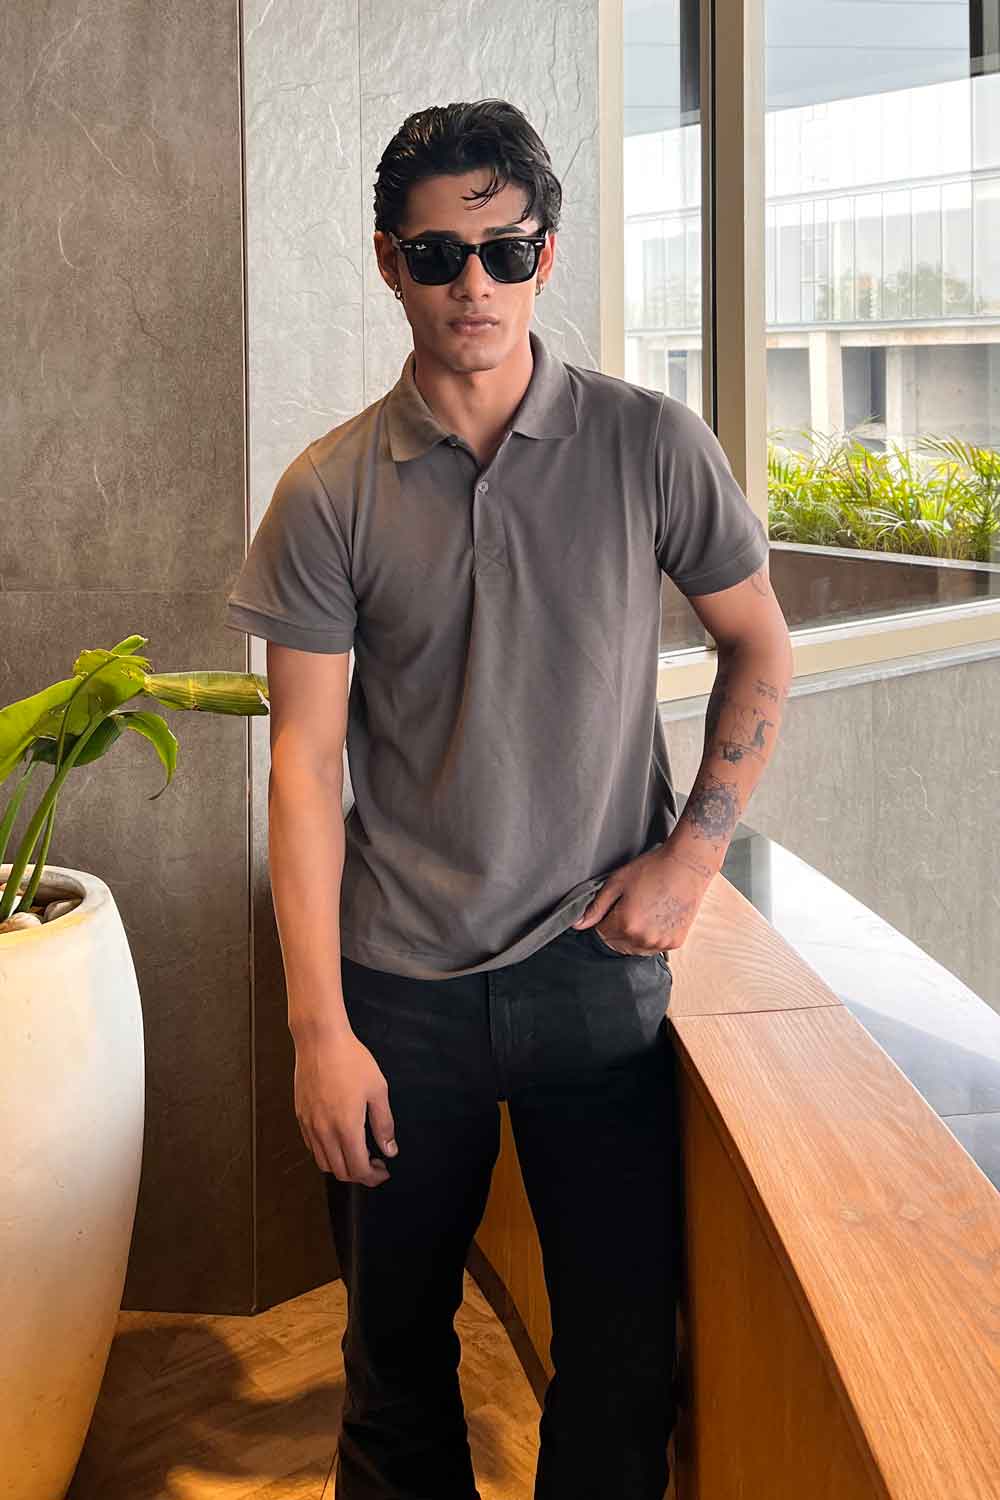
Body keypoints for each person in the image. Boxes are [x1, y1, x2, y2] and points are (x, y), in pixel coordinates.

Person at [225, 98, 792, 1500]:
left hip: (591, 976)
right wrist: (318, 1032)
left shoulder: (651, 444)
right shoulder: (328, 492)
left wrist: (690, 861)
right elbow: (301, 767)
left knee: (621, 1364)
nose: (471, 283)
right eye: (437, 255)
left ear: (547, 251)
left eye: (504, 249)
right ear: (389, 263)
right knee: (393, 1365)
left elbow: (759, 645)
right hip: (395, 993)